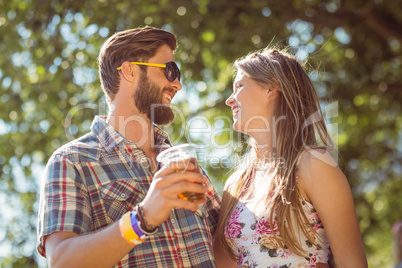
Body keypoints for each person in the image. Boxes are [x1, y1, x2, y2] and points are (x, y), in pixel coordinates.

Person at [37, 26, 221, 267]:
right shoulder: (72, 162)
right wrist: (141, 220)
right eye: (170, 71)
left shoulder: (185, 166)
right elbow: (61, 261)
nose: (178, 85)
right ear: (129, 70)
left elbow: (230, 245)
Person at [213, 48, 368, 267]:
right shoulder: (236, 184)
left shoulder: (314, 164)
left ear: (270, 87)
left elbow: (352, 262)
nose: (229, 100)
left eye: (239, 86)